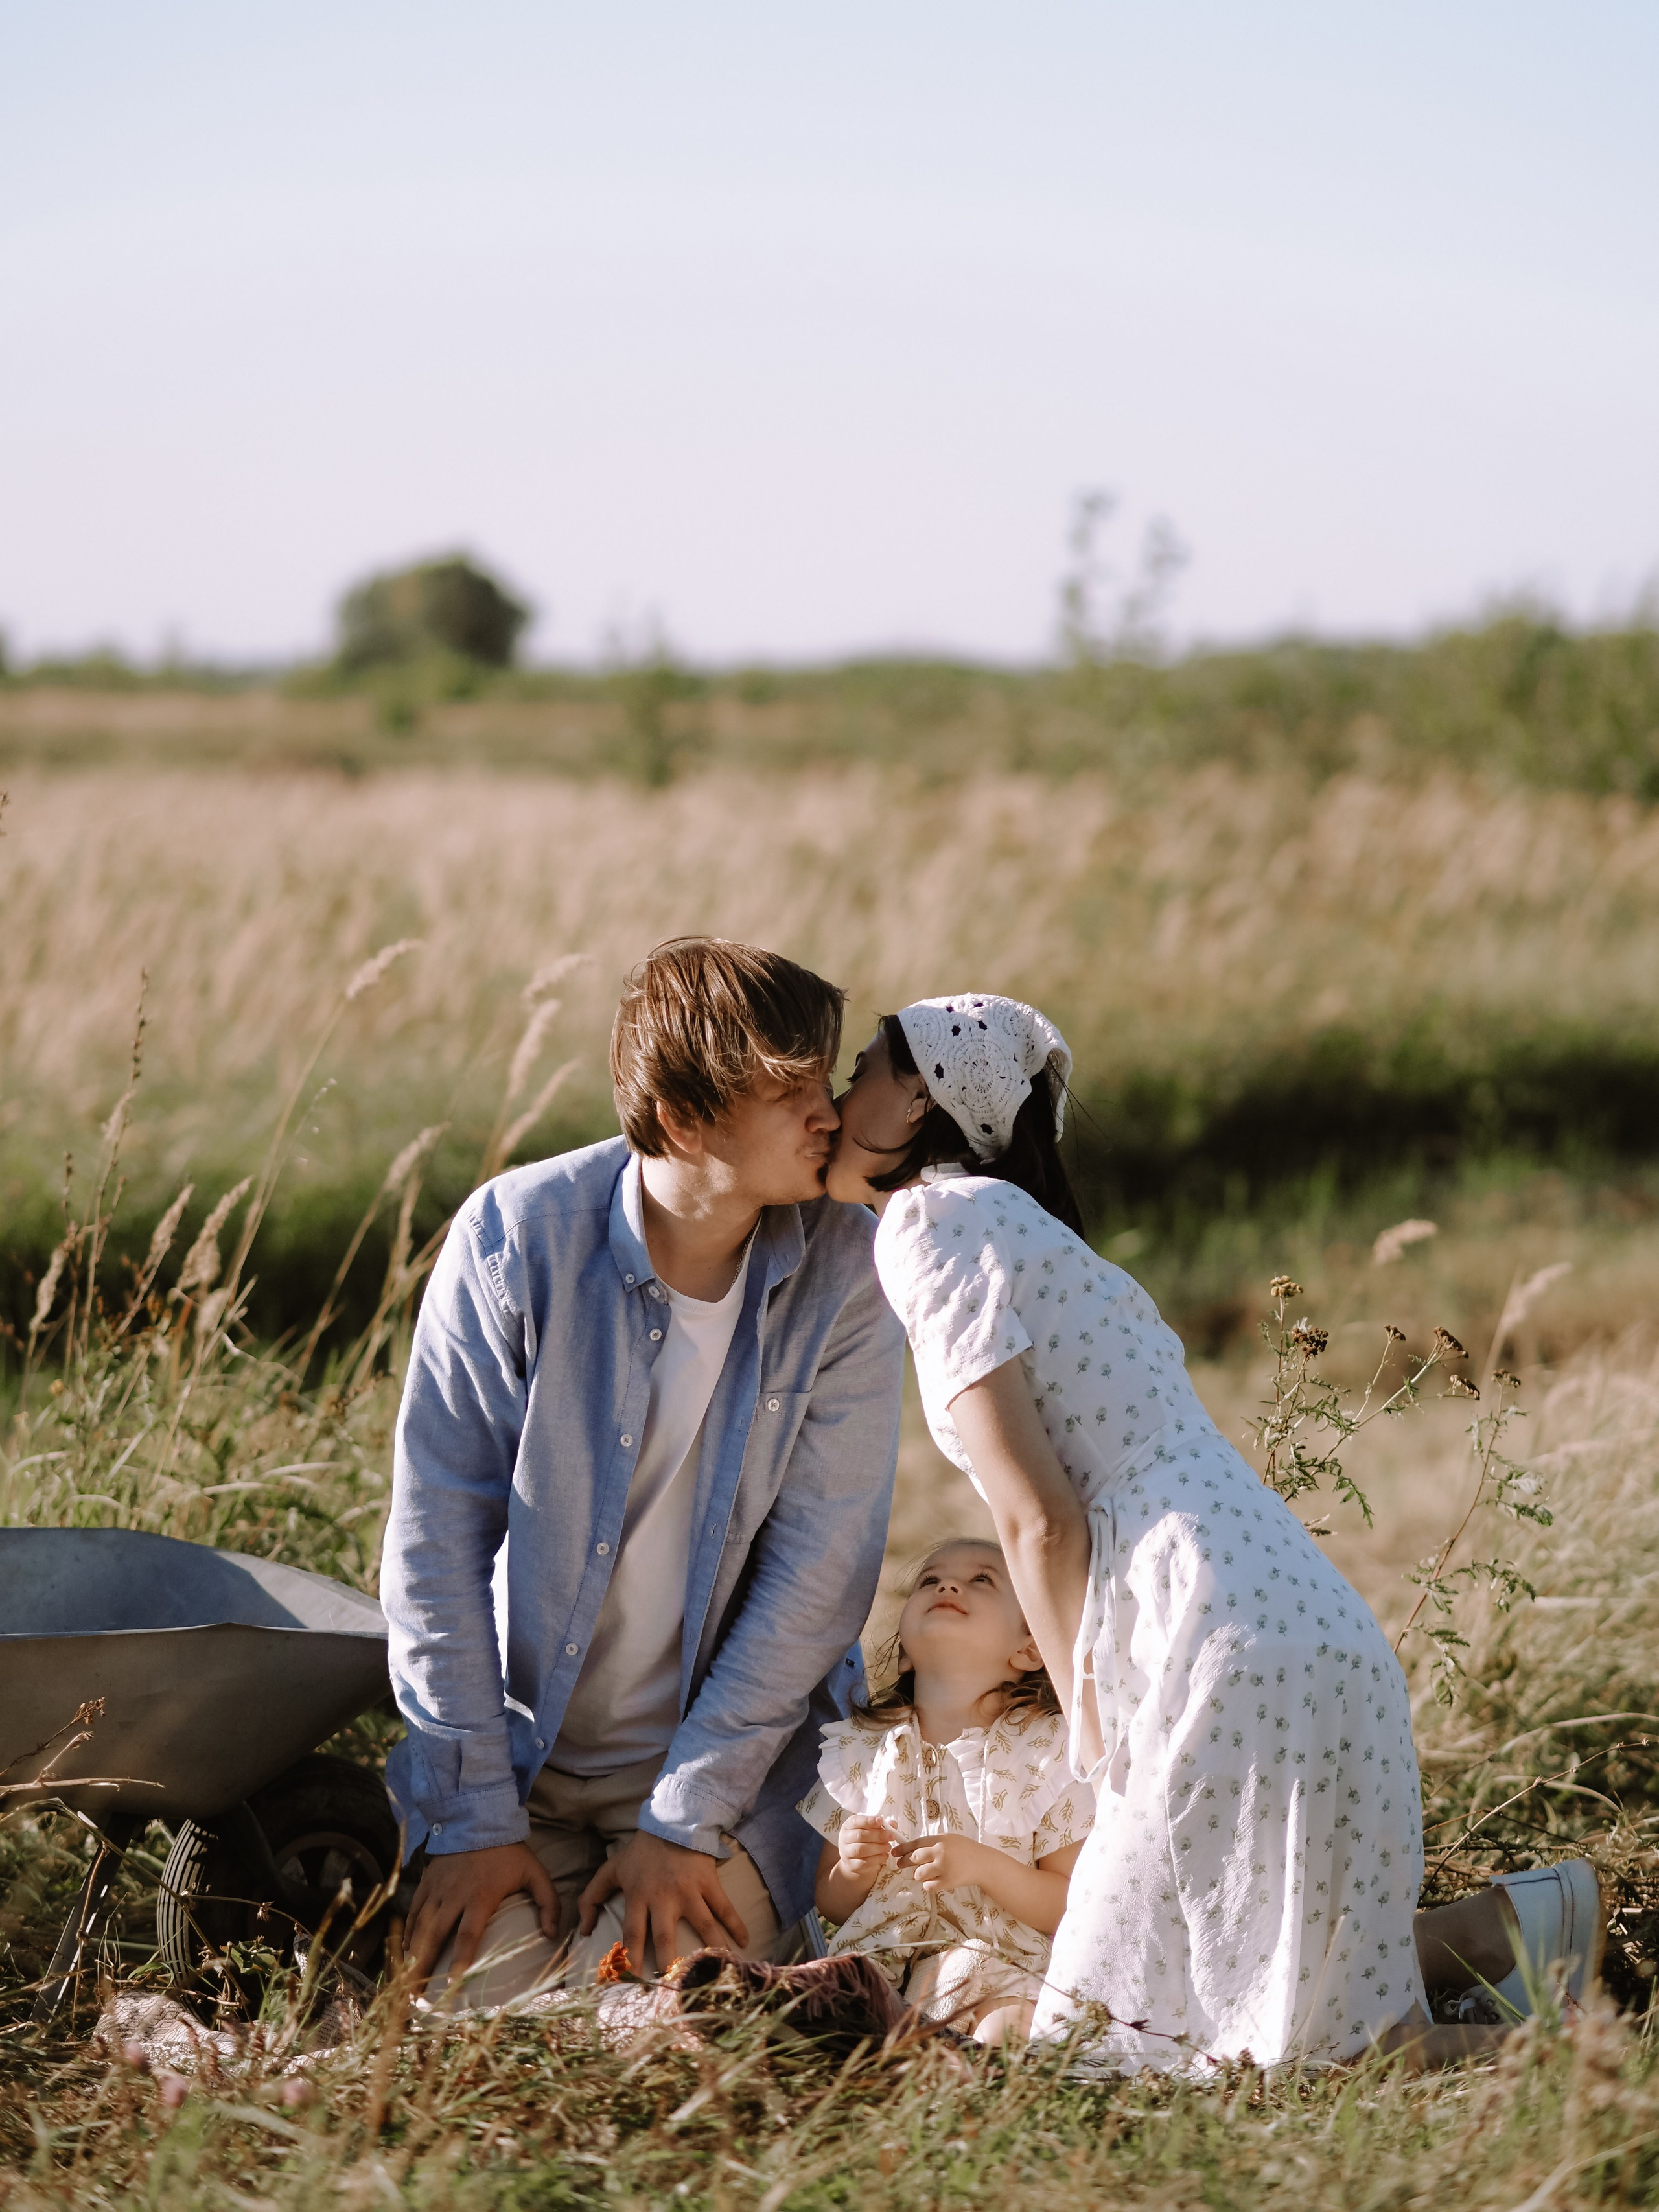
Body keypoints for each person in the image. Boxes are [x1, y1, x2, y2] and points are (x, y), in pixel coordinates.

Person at [824, 995, 1603, 2070]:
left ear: (918, 1096)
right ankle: (1535, 1936)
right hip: (1306, 1620)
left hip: (1211, 1639)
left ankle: (1590, 2068)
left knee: (1138, 2053)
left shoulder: (928, 1224)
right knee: (1267, 2016)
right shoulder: (1033, 1234)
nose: (834, 1095)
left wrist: (1086, 1726)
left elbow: (1037, 1517)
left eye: (859, 1068)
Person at [382, 938, 905, 2008]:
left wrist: (686, 1816)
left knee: (639, 2002)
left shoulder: (849, 1271)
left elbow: (821, 1571)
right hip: (516, 1771)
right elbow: (434, 1543)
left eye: (827, 1078)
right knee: (487, 2009)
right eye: (791, 1087)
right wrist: (476, 1821)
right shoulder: (514, 1241)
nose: (828, 1112)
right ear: (683, 1117)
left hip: (732, 1780)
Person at [799, 1536, 1094, 2045]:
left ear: (1028, 1648)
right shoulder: (861, 1752)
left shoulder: (1046, 1754)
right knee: (832, 2015)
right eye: (929, 1580)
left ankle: (956, 2074)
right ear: (906, 1652)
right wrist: (851, 1868)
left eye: (983, 1579)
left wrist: (983, 1865)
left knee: (1008, 2032)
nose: (948, 1584)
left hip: (1000, 1970)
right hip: (883, 1970)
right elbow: (834, 1903)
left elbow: (1070, 1901)